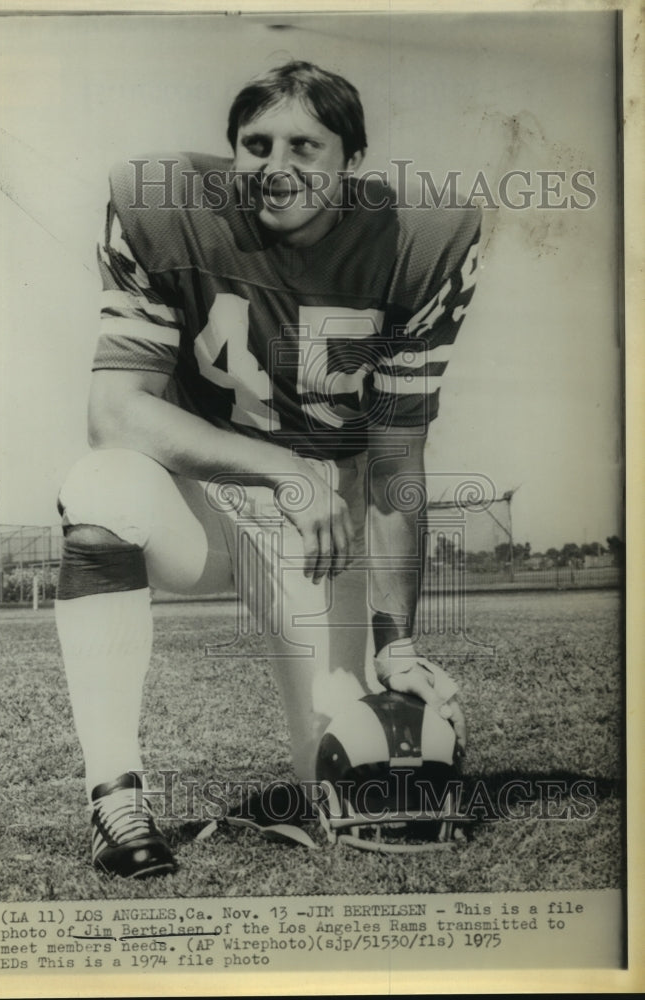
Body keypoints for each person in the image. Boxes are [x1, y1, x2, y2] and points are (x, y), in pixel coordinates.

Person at [55, 60, 480, 878]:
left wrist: (396, 641)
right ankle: (115, 796)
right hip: (196, 512)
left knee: (349, 774)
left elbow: (396, 461)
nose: (275, 166)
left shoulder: (418, 242)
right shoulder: (163, 208)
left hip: (318, 541)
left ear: (350, 161)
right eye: (255, 144)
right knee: (102, 486)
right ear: (232, 151)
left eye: (303, 146)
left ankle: (350, 702)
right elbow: (116, 413)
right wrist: (284, 468)